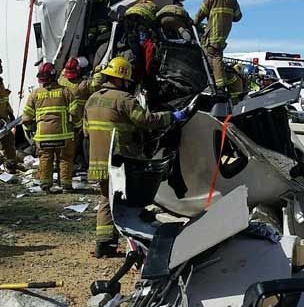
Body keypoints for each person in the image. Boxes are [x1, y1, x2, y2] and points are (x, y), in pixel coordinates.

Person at [85, 57, 188, 257]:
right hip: (121, 159)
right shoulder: (124, 99)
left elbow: (86, 130)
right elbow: (146, 121)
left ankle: (104, 244)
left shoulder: (93, 99)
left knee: (107, 199)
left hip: (98, 160)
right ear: (121, 79)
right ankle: (136, 244)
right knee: (130, 202)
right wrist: (171, 117)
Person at [22, 63, 77, 193]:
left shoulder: (35, 94)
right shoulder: (65, 92)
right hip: (63, 135)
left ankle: (45, 186)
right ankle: (66, 186)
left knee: (45, 159)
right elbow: (75, 113)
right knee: (65, 159)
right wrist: (77, 127)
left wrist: (30, 127)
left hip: (43, 137)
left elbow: (27, 117)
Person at [194, 0, 242, 92]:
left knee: (212, 58)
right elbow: (238, 17)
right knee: (217, 57)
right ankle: (220, 84)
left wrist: (193, 23)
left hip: (212, 36)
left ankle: (219, 86)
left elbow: (201, 14)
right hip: (223, 36)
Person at [59, 58, 88, 186]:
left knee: (65, 148)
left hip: (64, 119)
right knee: (78, 145)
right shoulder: (82, 85)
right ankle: (79, 165)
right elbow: (96, 84)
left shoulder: (61, 80)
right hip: (78, 119)